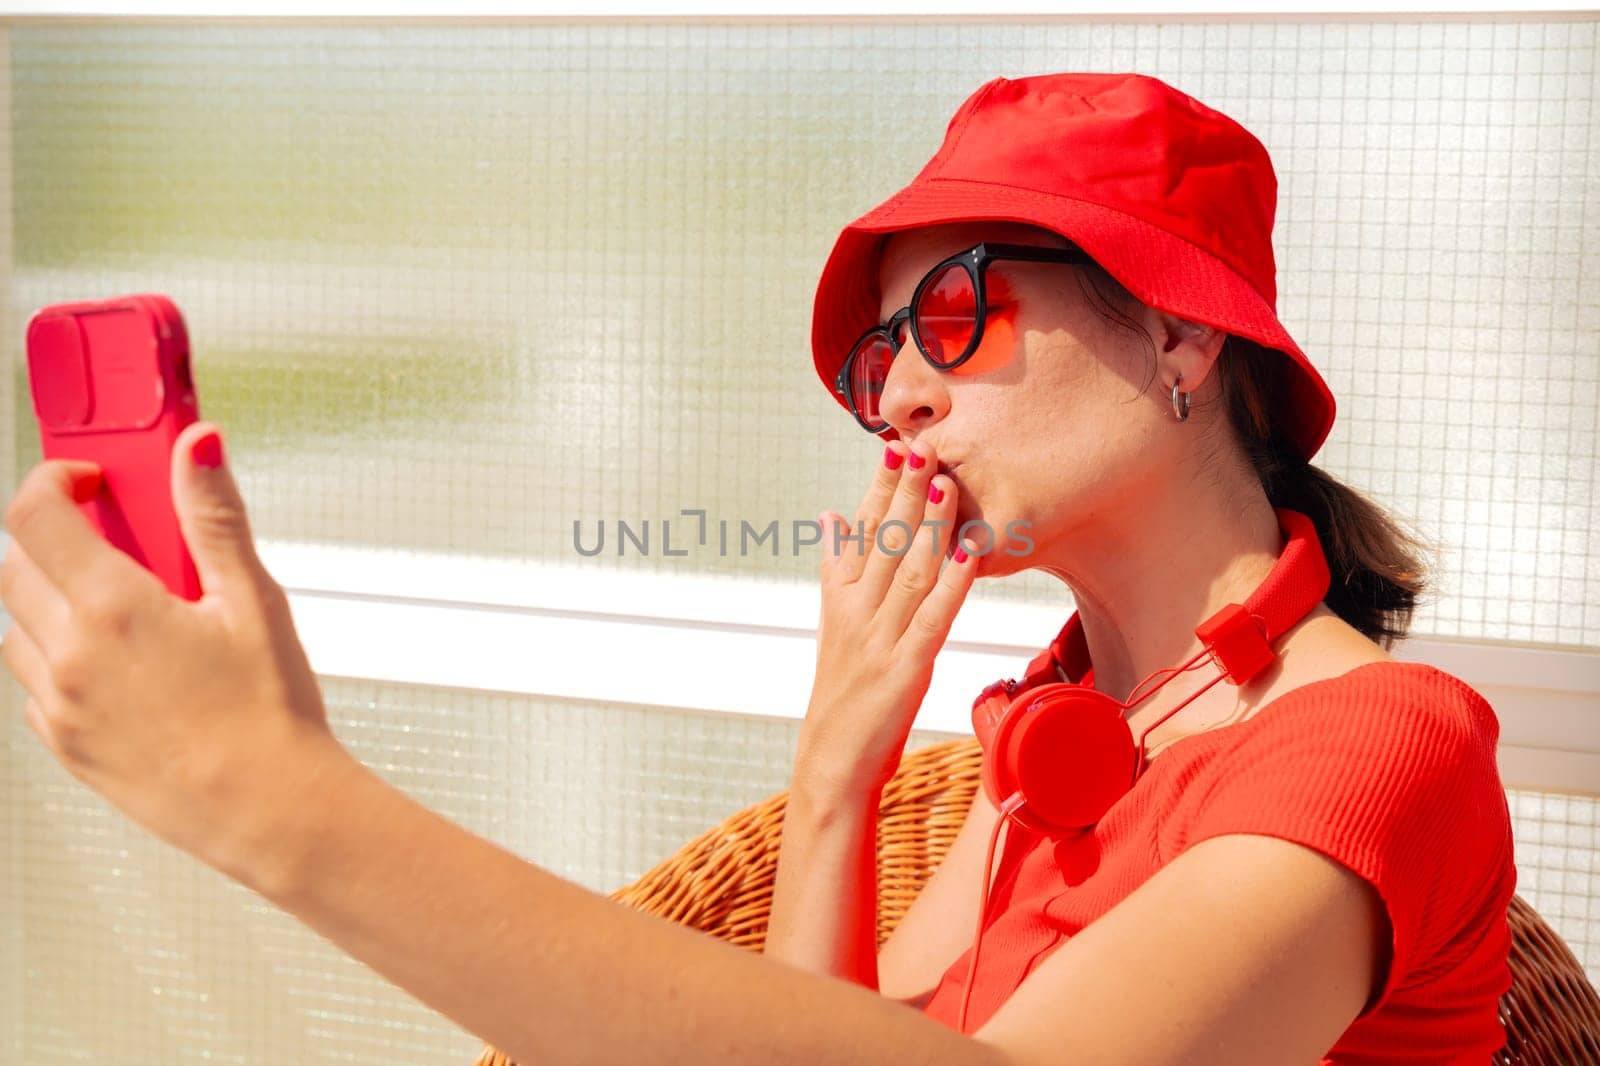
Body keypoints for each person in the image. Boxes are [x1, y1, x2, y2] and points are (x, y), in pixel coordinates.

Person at [0, 71, 1515, 1065]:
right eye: (880, 358)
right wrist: (840, 758)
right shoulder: (1052, 738)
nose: (898, 397)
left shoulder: (1381, 742)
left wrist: (278, 799)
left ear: (1182, 334)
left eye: (958, 315)